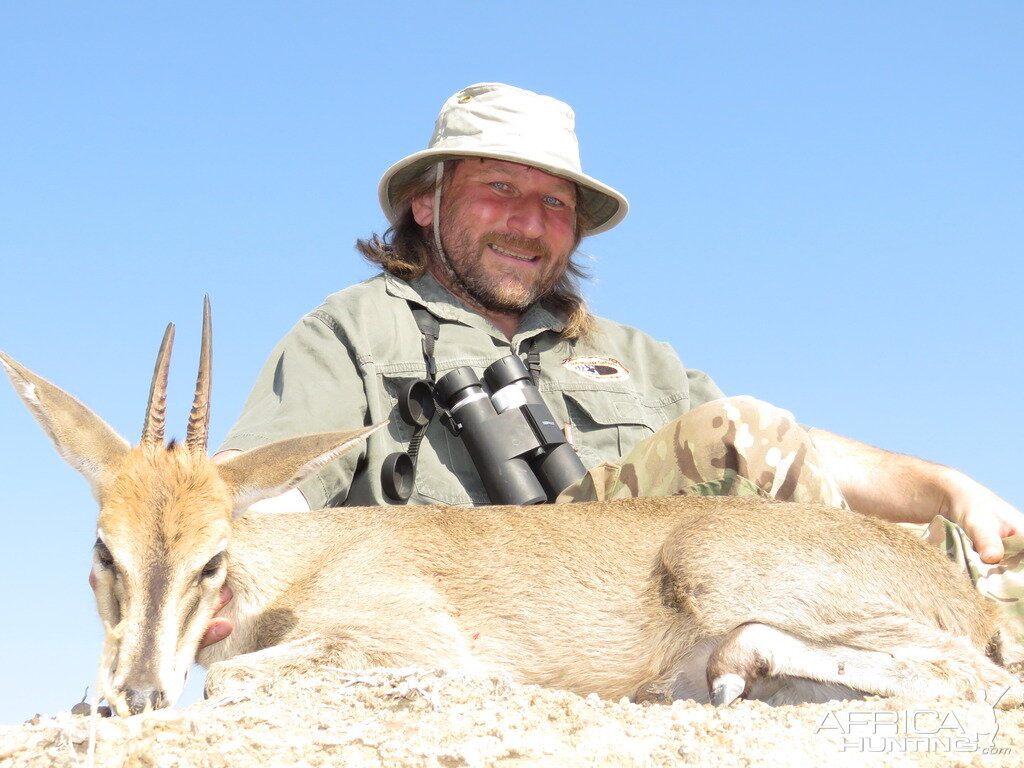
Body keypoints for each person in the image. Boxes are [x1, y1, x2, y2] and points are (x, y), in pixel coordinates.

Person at [204, 82, 1023, 649]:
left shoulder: (628, 354)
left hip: (677, 589)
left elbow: (788, 454)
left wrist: (949, 487)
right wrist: (212, 579)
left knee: (964, 546)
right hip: (511, 603)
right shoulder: (353, 328)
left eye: (555, 202)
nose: (530, 222)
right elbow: (257, 489)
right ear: (427, 202)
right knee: (748, 436)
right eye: (498, 187)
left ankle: (974, 613)